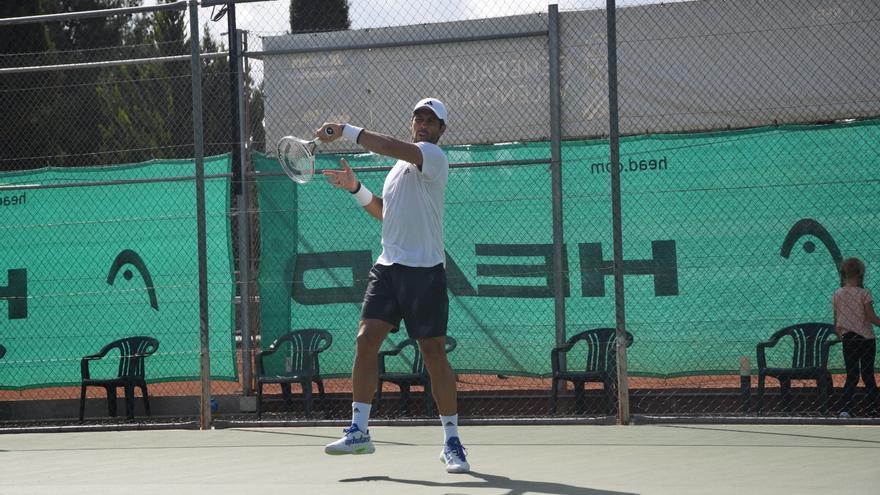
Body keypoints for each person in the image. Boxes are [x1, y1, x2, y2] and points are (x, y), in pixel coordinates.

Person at [315, 98, 469, 473]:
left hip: (424, 271)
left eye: (430, 120)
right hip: (388, 269)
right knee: (366, 340)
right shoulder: (399, 169)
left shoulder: (432, 157)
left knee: (433, 353)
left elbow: (385, 145)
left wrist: (347, 131)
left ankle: (452, 441)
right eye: (418, 117)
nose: (422, 123)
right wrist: (355, 188)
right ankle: (359, 432)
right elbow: (386, 213)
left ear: (441, 130)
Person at [832, 257, 880, 417]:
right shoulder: (864, 293)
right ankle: (874, 408)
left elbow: (836, 321)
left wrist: (841, 334)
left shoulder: (837, 294)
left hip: (849, 339)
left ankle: (845, 409)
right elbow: (871, 317)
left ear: (843, 274)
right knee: (868, 374)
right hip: (866, 339)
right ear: (860, 274)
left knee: (852, 375)